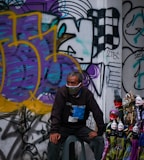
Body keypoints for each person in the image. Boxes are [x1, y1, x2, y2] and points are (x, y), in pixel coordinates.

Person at [47, 71, 105, 160]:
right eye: (68, 82)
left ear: (80, 84)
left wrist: (99, 132)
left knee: (98, 141)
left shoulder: (87, 94)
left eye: (73, 83)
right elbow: (56, 112)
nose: (70, 85)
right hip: (64, 127)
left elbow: (97, 112)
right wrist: (54, 131)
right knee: (53, 142)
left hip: (80, 127)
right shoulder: (62, 92)